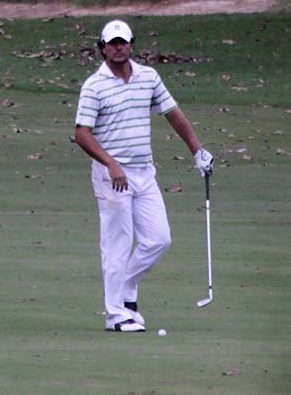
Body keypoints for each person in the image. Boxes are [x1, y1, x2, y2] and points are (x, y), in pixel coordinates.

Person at [74, 20, 214, 332]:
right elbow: (82, 134)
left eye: (123, 42)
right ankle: (116, 315)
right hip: (112, 176)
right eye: (112, 43)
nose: (119, 47)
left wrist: (197, 151)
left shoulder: (148, 77)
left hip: (144, 173)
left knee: (159, 239)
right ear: (102, 48)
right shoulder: (94, 85)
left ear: (132, 44)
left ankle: (125, 289)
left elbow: (173, 114)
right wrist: (110, 163)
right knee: (117, 244)